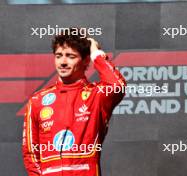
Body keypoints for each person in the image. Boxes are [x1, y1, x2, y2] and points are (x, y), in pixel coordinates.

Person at [22, 28, 126, 176]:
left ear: (85, 60)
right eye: (58, 56)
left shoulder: (97, 95)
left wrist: (96, 53)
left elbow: (117, 85)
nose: (63, 62)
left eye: (70, 56)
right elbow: (31, 153)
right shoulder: (37, 100)